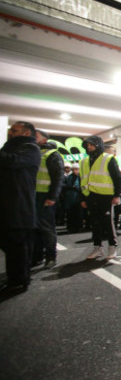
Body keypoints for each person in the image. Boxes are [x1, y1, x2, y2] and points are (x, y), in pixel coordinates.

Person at [0, 121, 41, 294]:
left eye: (14, 130)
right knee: (9, 243)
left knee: (18, 245)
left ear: (26, 133)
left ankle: (19, 280)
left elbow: (13, 162)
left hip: (19, 204)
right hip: (7, 203)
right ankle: (16, 276)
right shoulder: (8, 149)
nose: (10, 132)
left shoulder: (30, 148)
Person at [80, 136, 121, 260]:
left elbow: (117, 178)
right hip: (90, 196)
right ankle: (97, 248)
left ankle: (112, 247)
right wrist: (82, 198)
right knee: (95, 223)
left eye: (91, 144)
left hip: (106, 196)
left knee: (108, 223)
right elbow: (82, 180)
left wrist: (116, 195)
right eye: (87, 145)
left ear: (98, 145)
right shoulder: (83, 162)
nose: (89, 147)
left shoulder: (108, 158)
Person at [32, 129, 64, 269]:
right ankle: (36, 257)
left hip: (45, 196)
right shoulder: (35, 153)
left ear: (44, 139)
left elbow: (58, 178)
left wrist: (52, 197)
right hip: (32, 196)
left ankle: (51, 256)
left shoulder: (53, 155)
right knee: (34, 228)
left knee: (47, 228)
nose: (33, 138)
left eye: (36, 136)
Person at [63, 162, 83, 233]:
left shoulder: (81, 177)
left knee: (78, 213)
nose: (75, 171)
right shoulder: (69, 177)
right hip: (70, 198)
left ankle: (78, 227)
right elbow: (64, 185)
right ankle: (70, 227)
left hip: (77, 198)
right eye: (73, 169)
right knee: (70, 214)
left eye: (76, 169)